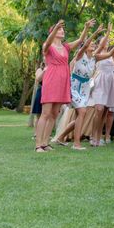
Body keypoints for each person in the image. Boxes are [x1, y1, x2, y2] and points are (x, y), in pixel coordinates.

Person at [34, 19, 94, 153]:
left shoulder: (66, 47)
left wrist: (86, 28)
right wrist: (55, 27)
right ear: (53, 32)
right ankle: (38, 145)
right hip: (51, 80)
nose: (62, 31)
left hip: (63, 81)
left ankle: (45, 143)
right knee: (46, 113)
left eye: (62, 29)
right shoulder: (48, 46)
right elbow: (48, 42)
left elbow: (80, 41)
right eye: (59, 29)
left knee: (55, 114)